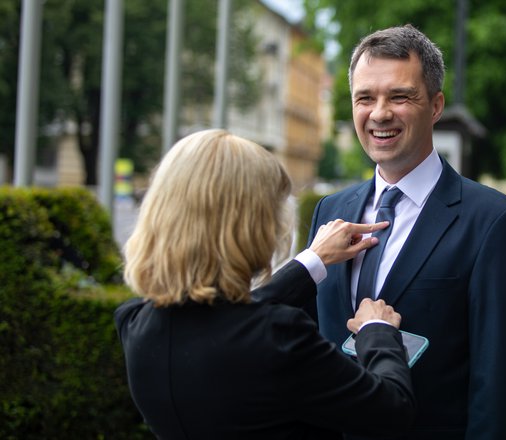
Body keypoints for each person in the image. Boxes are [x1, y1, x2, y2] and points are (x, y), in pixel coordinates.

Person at [307, 25, 506, 439]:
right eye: (365, 98)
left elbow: (498, 384)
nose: (379, 113)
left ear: (435, 105)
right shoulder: (331, 210)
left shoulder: (494, 222)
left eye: (399, 96)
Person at [114, 129, 417, 439]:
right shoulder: (278, 336)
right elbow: (391, 412)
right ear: (251, 224)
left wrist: (312, 260)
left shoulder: (135, 321)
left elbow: (230, 322)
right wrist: (377, 332)